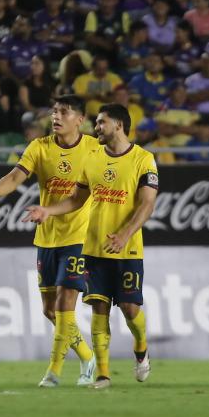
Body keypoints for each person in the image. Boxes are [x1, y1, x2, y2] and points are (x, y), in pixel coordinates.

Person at [26, 101, 157, 388]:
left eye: (101, 122)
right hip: (94, 246)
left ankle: (141, 346)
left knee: (129, 308)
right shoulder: (93, 158)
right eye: (95, 122)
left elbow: (147, 204)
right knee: (98, 309)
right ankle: (103, 374)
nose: (96, 128)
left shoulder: (143, 159)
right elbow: (76, 200)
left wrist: (124, 234)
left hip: (128, 247)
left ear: (119, 125)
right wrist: (48, 210)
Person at [0, 94, 101, 387]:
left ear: (80, 120)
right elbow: (14, 178)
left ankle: (53, 373)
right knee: (50, 310)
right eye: (54, 111)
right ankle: (88, 358)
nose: (56, 117)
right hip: (47, 238)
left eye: (63, 112)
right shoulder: (39, 148)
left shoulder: (94, 148)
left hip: (80, 237)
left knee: (66, 304)